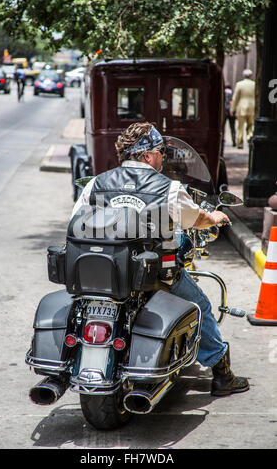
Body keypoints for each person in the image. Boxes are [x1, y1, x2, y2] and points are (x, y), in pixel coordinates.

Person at [71, 122, 249, 397]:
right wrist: (213, 217)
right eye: (160, 151)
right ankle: (221, 374)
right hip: (151, 276)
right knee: (199, 305)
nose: (163, 156)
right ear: (146, 156)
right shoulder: (168, 188)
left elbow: (75, 222)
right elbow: (196, 218)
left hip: (100, 274)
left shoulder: (97, 183)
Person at [231, 69, 255, 149]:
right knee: (250, 126)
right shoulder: (254, 84)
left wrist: (232, 109)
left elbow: (235, 98)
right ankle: (249, 139)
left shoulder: (239, 84)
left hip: (242, 107)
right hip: (252, 107)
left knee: (240, 126)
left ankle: (240, 143)